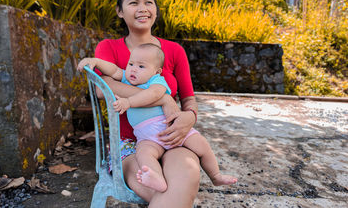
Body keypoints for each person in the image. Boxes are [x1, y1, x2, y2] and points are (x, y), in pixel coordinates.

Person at [84, 0, 232, 207]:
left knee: (187, 177)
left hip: (170, 134)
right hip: (130, 146)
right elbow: (103, 88)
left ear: (155, 9)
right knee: (163, 191)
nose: (143, 9)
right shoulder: (109, 47)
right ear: (120, 11)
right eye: (133, 3)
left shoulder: (174, 51)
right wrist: (162, 97)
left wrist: (188, 117)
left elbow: (188, 98)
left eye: (149, 2)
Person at [77, 43, 237, 193]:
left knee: (201, 145)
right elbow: (113, 71)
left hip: (170, 129)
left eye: (141, 66)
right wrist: (96, 61)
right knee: (143, 153)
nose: (133, 69)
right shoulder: (127, 77)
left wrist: (129, 101)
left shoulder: (157, 82)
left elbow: (152, 95)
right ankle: (156, 178)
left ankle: (215, 175)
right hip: (147, 136)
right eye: (131, 64)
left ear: (156, 71)